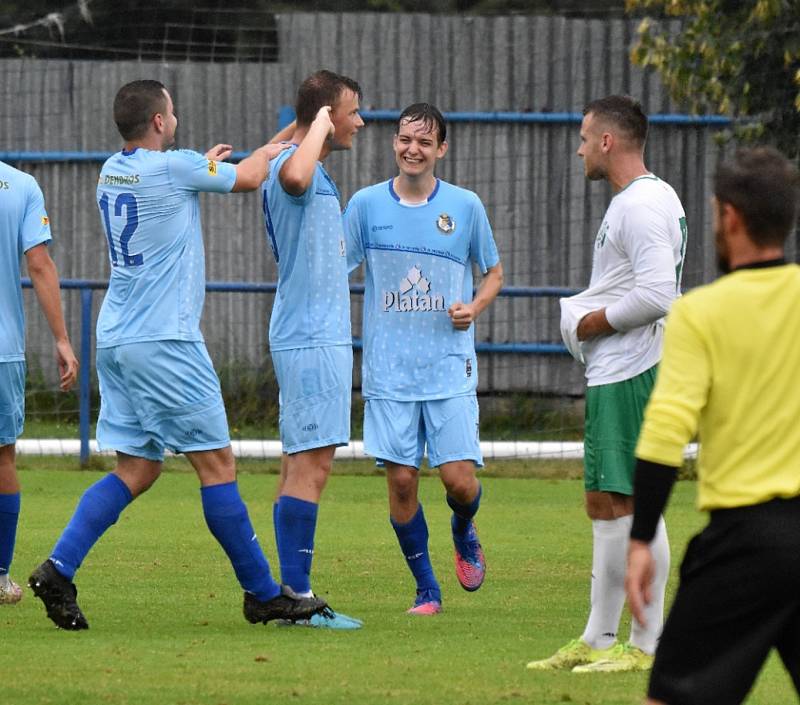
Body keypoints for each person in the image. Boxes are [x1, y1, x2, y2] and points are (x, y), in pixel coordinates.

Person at [28, 79, 328, 630]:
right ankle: (263, 594)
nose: (177, 114)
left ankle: (58, 570)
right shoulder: (176, 167)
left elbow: (188, 178)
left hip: (116, 337)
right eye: (173, 109)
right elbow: (256, 175)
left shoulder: (112, 170)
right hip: (165, 341)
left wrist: (211, 163)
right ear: (161, 122)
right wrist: (302, 132)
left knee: (139, 467)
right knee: (217, 465)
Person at [625, 147, 800, 705]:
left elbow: (664, 434)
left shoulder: (702, 313)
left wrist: (640, 538)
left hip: (749, 541)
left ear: (729, 217)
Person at [528, 95, 687, 672]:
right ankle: (598, 638)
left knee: (629, 499)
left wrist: (592, 322)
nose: (577, 148)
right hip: (618, 368)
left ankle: (645, 644)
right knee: (605, 499)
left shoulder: (641, 204)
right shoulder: (644, 198)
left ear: (606, 142)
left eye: (583, 136)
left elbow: (657, 295)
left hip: (631, 367)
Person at [344, 103, 503, 614]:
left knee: (459, 481)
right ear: (394, 143)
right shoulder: (366, 206)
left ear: (441, 150)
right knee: (403, 479)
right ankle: (427, 590)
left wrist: (474, 306)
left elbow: (494, 272)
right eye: (405, 139)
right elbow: (333, 269)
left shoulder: (465, 206)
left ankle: (463, 527)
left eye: (424, 142)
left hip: (447, 367)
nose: (413, 149)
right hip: (389, 372)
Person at [261, 70, 364, 629]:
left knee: (297, 464)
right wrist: (316, 128)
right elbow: (295, 175)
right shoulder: (295, 165)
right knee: (311, 467)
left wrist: (305, 133)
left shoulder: (295, 159)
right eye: (351, 111)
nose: (360, 122)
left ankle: (286, 594)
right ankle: (297, 600)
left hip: (310, 333)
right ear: (326, 114)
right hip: (310, 335)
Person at [0, 162, 79, 605]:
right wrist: (62, 340)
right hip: (2, 348)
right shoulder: (20, 185)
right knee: (2, 457)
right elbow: (39, 262)